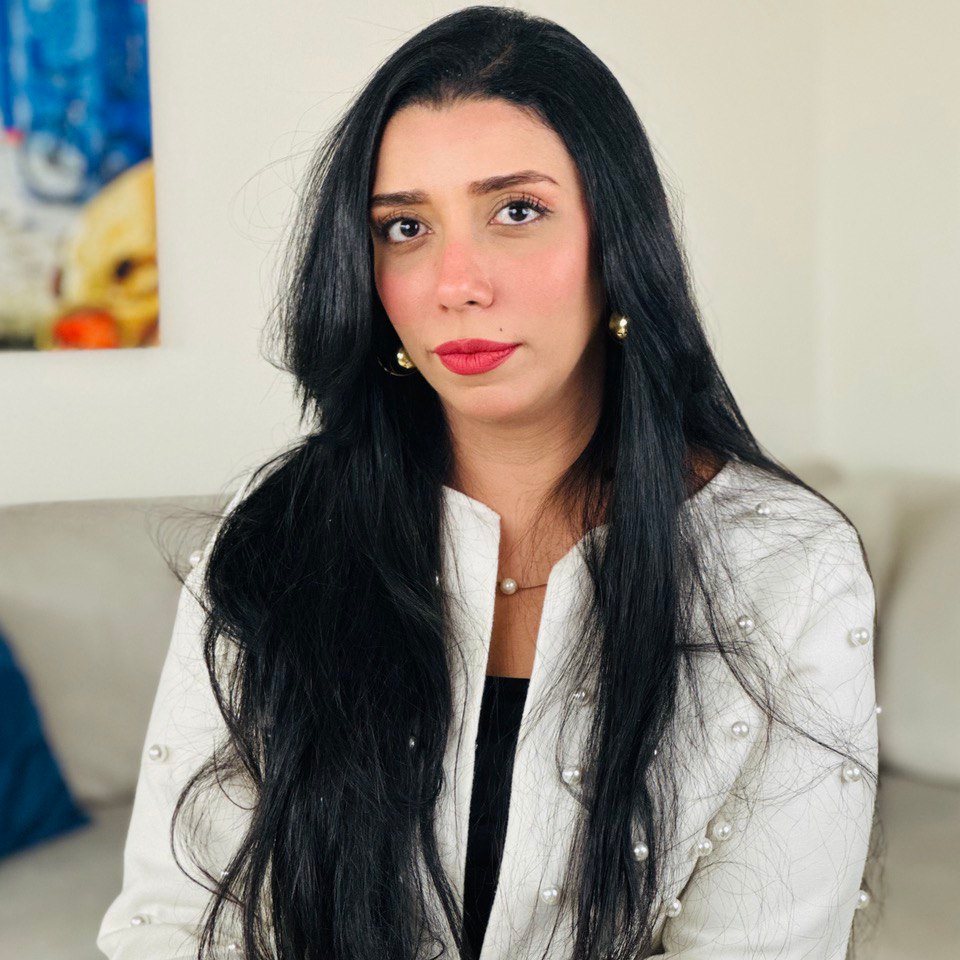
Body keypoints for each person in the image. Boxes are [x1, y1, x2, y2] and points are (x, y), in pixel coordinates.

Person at [97, 7, 880, 960]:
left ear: (617, 239)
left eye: (516, 211)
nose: (455, 283)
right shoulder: (276, 529)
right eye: (404, 227)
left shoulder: (786, 564)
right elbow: (173, 920)